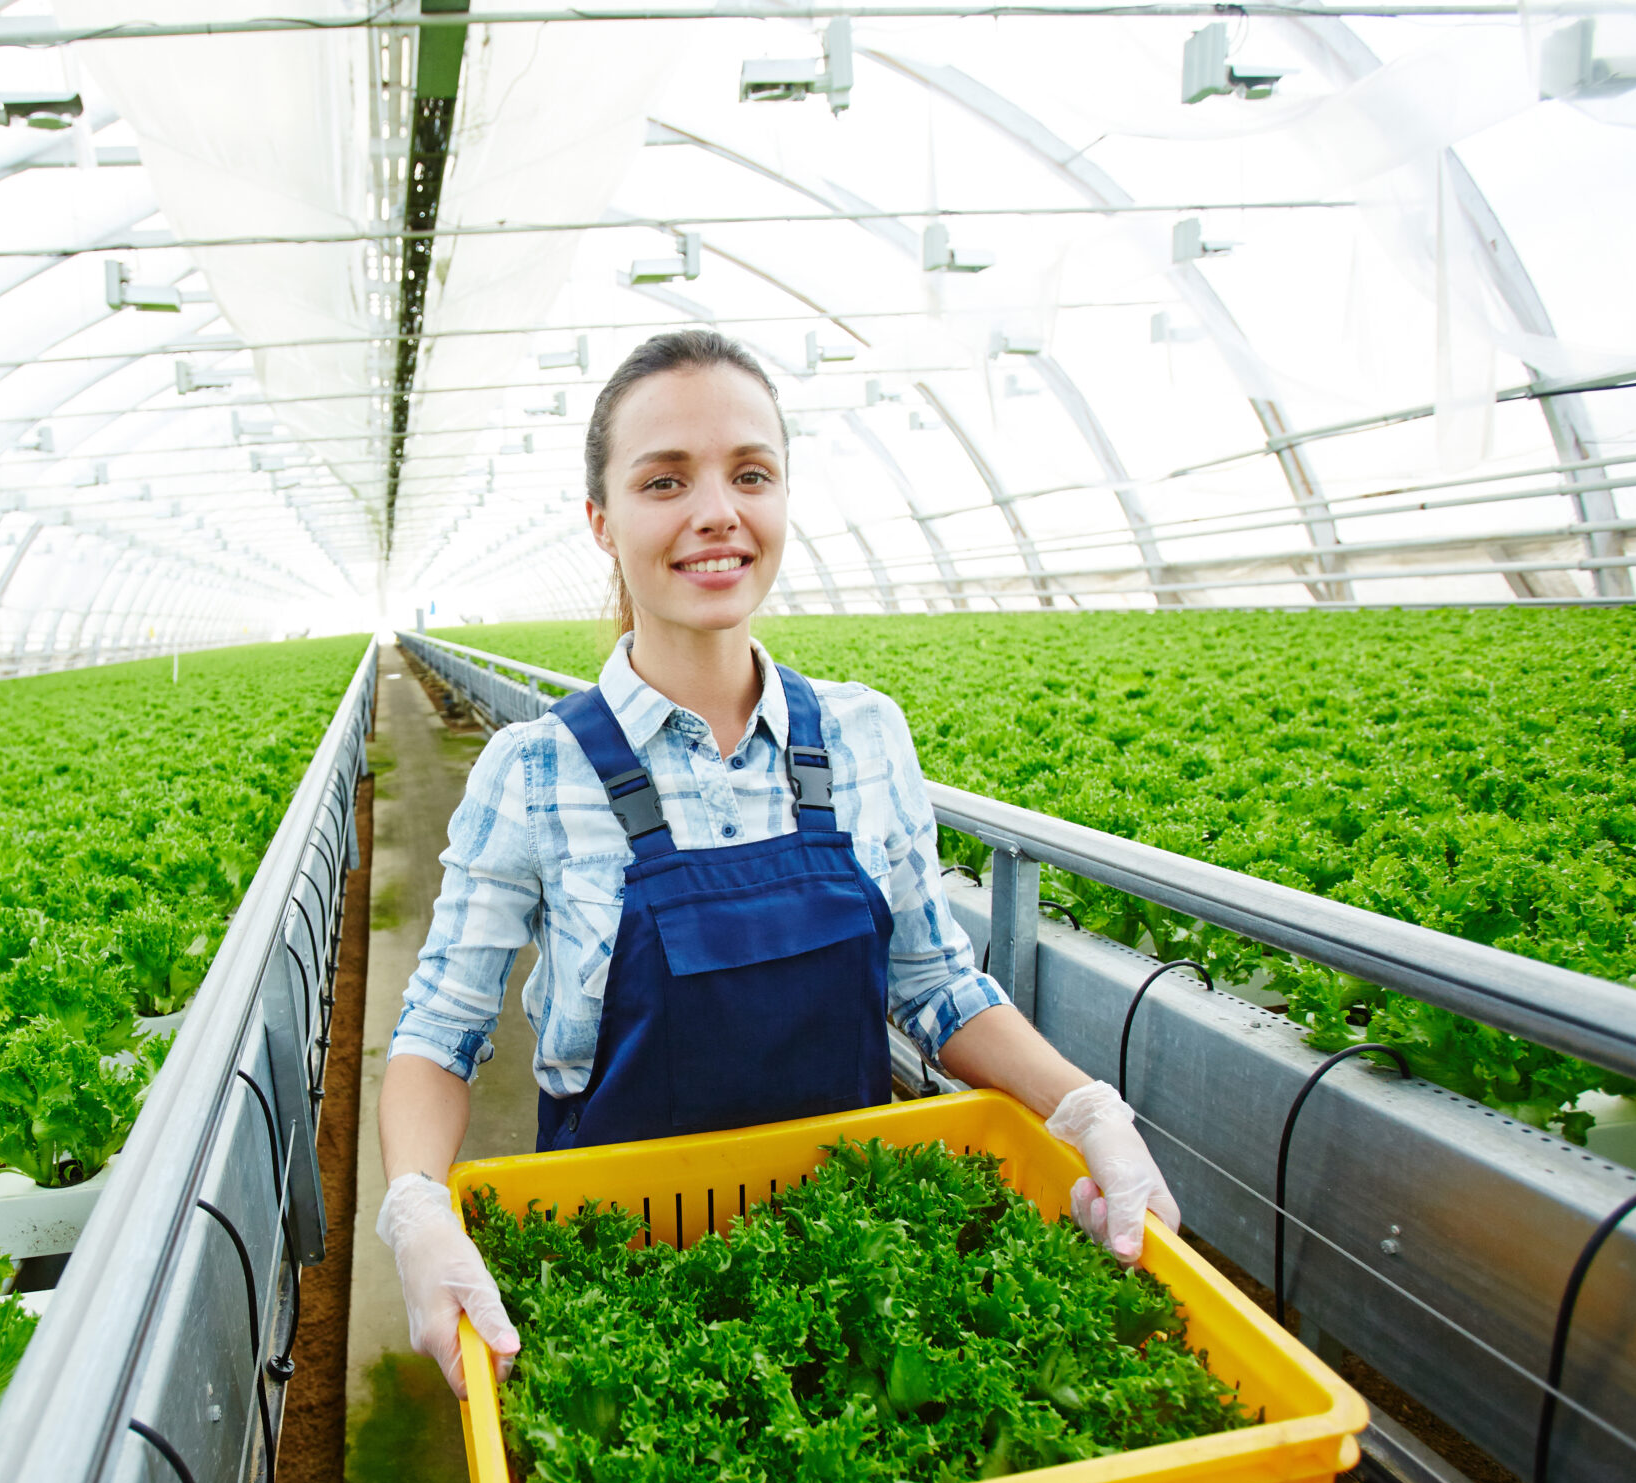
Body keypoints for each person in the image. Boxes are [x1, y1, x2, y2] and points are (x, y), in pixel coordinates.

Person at [376, 330, 1180, 1398]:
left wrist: (1083, 1107)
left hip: (852, 1264)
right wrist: (416, 1206)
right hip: (630, 1280)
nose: (716, 511)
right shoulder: (536, 771)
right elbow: (441, 1030)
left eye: (749, 474)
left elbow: (933, 982)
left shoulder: (861, 735)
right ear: (602, 523)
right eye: (666, 481)